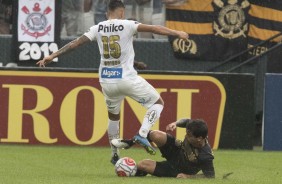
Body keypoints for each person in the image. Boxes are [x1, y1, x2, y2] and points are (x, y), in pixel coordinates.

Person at [36, 0, 188, 165]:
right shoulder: (127, 24)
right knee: (157, 103)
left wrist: (52, 56)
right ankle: (143, 134)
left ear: (107, 12)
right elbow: (153, 28)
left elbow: (75, 44)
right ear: (122, 12)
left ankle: (114, 153)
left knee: (114, 117)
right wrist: (176, 32)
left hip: (107, 81)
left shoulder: (98, 28)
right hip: (126, 78)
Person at [112, 119, 215, 178]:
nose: (186, 136)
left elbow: (210, 176)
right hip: (177, 149)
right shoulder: (195, 128)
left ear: (199, 138)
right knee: (156, 135)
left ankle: (135, 172)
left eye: (189, 135)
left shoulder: (206, 155)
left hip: (178, 169)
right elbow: (187, 121)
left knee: (142, 165)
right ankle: (129, 143)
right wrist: (175, 124)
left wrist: (187, 176)